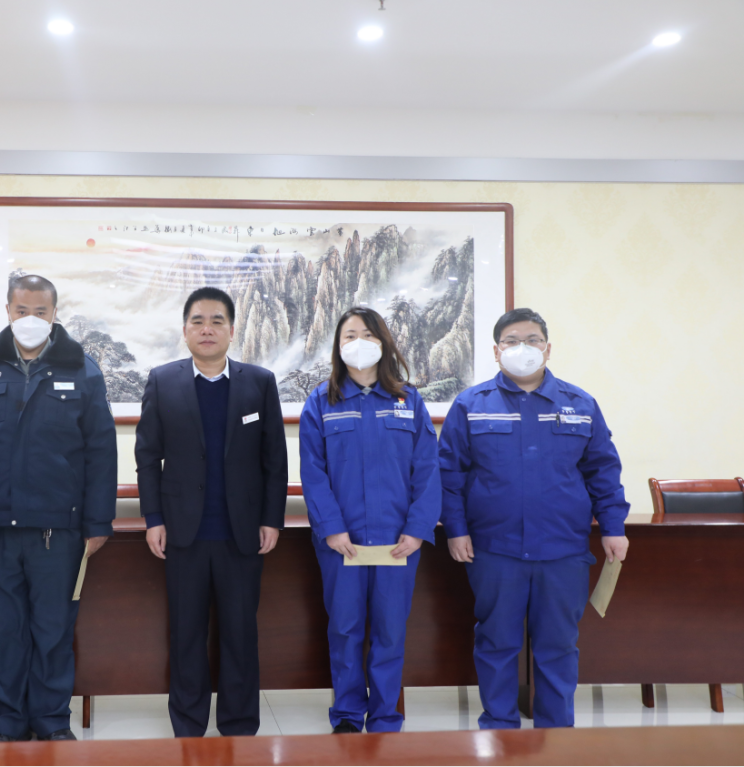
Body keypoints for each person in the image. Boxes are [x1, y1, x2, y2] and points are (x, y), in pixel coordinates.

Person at [438, 307, 630, 729]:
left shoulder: (580, 405)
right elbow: (449, 474)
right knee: (496, 643)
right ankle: (499, 731)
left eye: (532, 340)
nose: (521, 348)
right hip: (494, 550)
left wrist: (613, 527)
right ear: (496, 351)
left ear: (547, 348)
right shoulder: (471, 405)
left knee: (558, 647)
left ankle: (556, 734)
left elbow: (603, 470)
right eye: (511, 341)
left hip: (563, 551)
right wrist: (455, 529)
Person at [0, 273, 117, 743]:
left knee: (53, 631)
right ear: (8, 311)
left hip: (59, 531)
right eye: (22, 310)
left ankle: (51, 723)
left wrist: (98, 521)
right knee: (4, 632)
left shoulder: (84, 370)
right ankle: (6, 726)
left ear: (54, 314)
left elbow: (101, 451)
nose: (30, 319)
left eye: (40, 311)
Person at [135, 286, 288, 737]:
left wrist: (271, 518)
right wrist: (153, 519)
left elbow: (275, 459)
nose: (207, 329)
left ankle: (239, 726)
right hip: (183, 533)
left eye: (217, 321)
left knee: (240, 634)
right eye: (198, 321)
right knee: (186, 634)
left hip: (242, 533)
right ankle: (188, 726)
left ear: (232, 330)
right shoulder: (162, 381)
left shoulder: (259, 382)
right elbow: (148, 457)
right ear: (185, 331)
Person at [299, 307, 441, 734]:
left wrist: (417, 530)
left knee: (389, 631)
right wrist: (331, 528)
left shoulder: (409, 401)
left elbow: (428, 469)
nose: (358, 342)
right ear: (338, 346)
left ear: (383, 342)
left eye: (367, 334)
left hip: (397, 542)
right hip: (343, 542)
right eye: (349, 335)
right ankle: (346, 714)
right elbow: (313, 472)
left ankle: (384, 717)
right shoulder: (321, 402)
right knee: (345, 629)